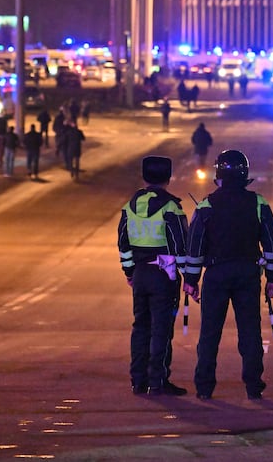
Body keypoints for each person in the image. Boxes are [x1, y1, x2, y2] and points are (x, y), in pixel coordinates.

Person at [183, 150, 273, 401]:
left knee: (209, 333)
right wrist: (272, 277)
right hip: (248, 275)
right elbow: (271, 243)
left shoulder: (206, 206)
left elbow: (194, 248)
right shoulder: (259, 204)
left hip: (216, 275)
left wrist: (191, 281)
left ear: (218, 176)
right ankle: (253, 387)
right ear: (245, 175)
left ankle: (204, 388)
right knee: (250, 332)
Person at [117, 156, 189, 397]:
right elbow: (180, 246)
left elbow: (123, 243)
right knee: (161, 329)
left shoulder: (130, 206)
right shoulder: (171, 207)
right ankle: (158, 381)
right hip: (164, 273)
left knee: (140, 327)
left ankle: (138, 381)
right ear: (168, 179)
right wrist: (189, 278)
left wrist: (129, 272)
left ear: (144, 177)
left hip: (140, 273)